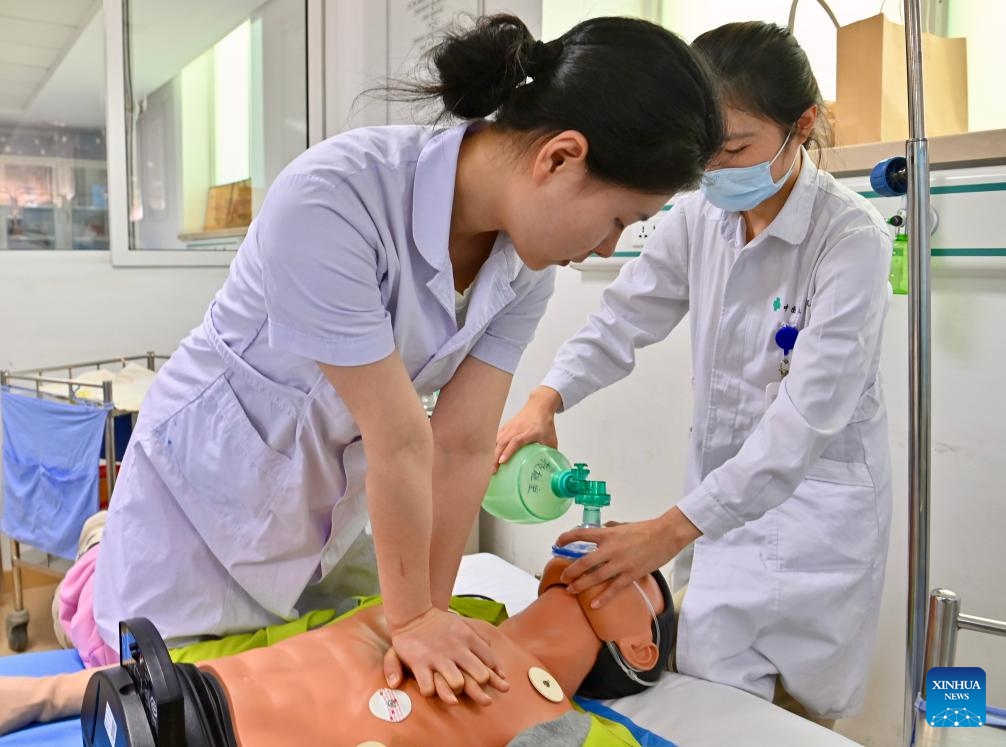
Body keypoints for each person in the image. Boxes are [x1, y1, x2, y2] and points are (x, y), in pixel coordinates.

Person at [67, 12, 721, 710]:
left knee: (342, 686)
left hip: (329, 509)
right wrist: (413, 619)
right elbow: (402, 435)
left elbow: (464, 444)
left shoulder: (524, 269)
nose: (603, 248)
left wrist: (430, 614)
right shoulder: (333, 198)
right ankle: (95, 561)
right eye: (619, 220)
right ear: (559, 157)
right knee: (177, 696)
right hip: (200, 506)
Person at [495, 20, 892, 724]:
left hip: (817, 525)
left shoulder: (850, 241)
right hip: (717, 504)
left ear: (802, 127)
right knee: (710, 695)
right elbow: (625, 319)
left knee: (798, 715)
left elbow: (800, 425)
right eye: (706, 151)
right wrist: (546, 396)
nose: (717, 171)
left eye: (736, 147)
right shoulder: (699, 215)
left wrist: (667, 530)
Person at [2, 557, 674, 747]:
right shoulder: (457, 603)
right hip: (146, 704)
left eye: (636, 562)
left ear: (640, 645)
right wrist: (54, 692)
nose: (602, 540)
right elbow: (293, 640)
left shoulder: (588, 732)